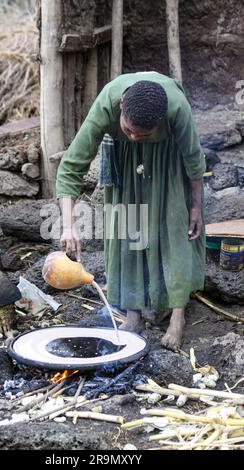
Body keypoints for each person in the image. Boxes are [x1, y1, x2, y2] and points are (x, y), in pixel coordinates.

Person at [56, 71, 206, 352]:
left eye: (143, 134)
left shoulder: (176, 108)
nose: (136, 137)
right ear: (122, 105)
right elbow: (72, 165)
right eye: (129, 130)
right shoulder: (107, 104)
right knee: (129, 229)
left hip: (167, 160)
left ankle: (177, 314)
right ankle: (134, 312)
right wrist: (68, 224)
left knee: (174, 228)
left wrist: (195, 205)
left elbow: (193, 158)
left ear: (160, 122)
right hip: (123, 161)